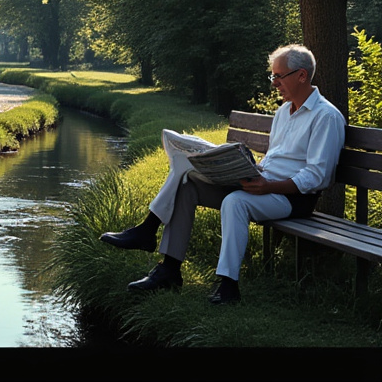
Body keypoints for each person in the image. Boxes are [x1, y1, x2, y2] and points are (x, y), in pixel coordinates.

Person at [99, 44, 346, 304]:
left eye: (279, 76)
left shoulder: (326, 117)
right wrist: (249, 168)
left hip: (291, 197)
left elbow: (319, 176)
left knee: (234, 201)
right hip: (261, 183)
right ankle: (168, 269)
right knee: (187, 177)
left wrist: (269, 187)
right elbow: (277, 157)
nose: (274, 83)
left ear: (302, 75)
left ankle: (228, 286)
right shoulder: (284, 111)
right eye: (272, 76)